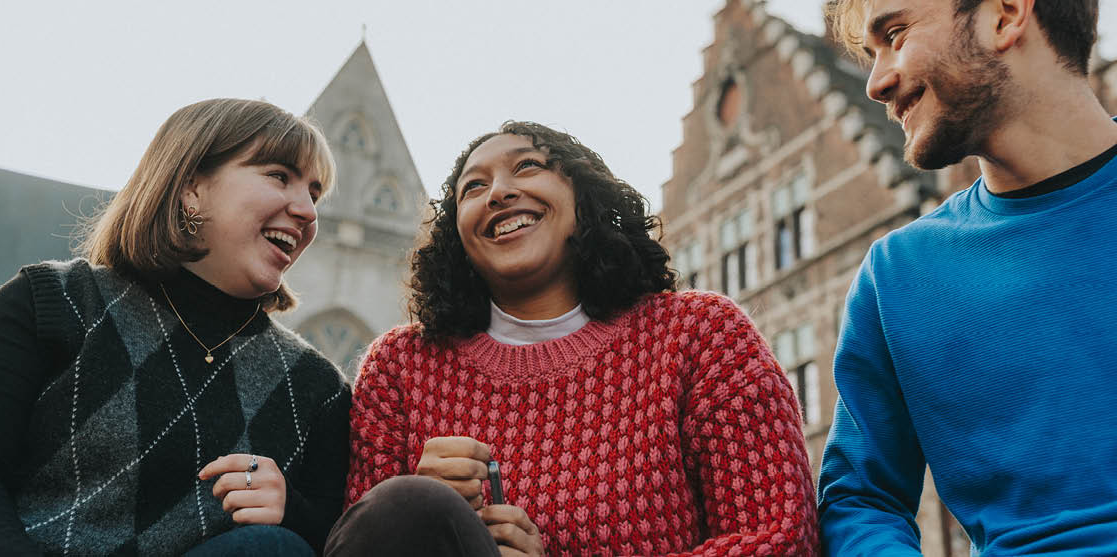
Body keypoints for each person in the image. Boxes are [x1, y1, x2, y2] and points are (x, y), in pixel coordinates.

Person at [325, 122, 819, 556]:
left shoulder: (700, 334)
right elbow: (354, 541)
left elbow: (781, 537)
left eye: (528, 166)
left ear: (585, 198)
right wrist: (419, 514)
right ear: (456, 234)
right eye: (473, 187)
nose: (499, 192)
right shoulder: (400, 366)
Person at [0, 98, 351, 556]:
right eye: (279, 176)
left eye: (314, 194)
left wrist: (293, 512)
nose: (308, 212)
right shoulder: (55, 301)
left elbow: (338, 540)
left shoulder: (318, 391)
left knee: (273, 548)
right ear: (192, 187)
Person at [818, 0, 1117, 554]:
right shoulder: (898, 276)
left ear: (1005, 14)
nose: (876, 84)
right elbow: (859, 501)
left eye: (896, 35)